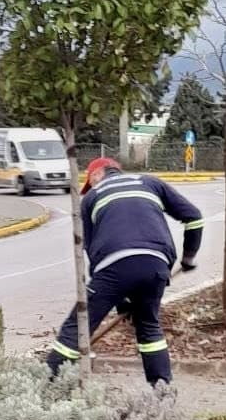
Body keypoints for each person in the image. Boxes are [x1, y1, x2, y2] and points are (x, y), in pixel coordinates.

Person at [45, 157, 204, 385]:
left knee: (77, 326)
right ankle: (161, 389)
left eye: (90, 181)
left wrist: (119, 297)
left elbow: (91, 252)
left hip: (114, 266)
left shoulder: (91, 197)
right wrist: (188, 257)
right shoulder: (150, 182)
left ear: (97, 174)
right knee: (149, 327)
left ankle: (48, 382)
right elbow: (194, 218)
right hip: (156, 264)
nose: (91, 186)